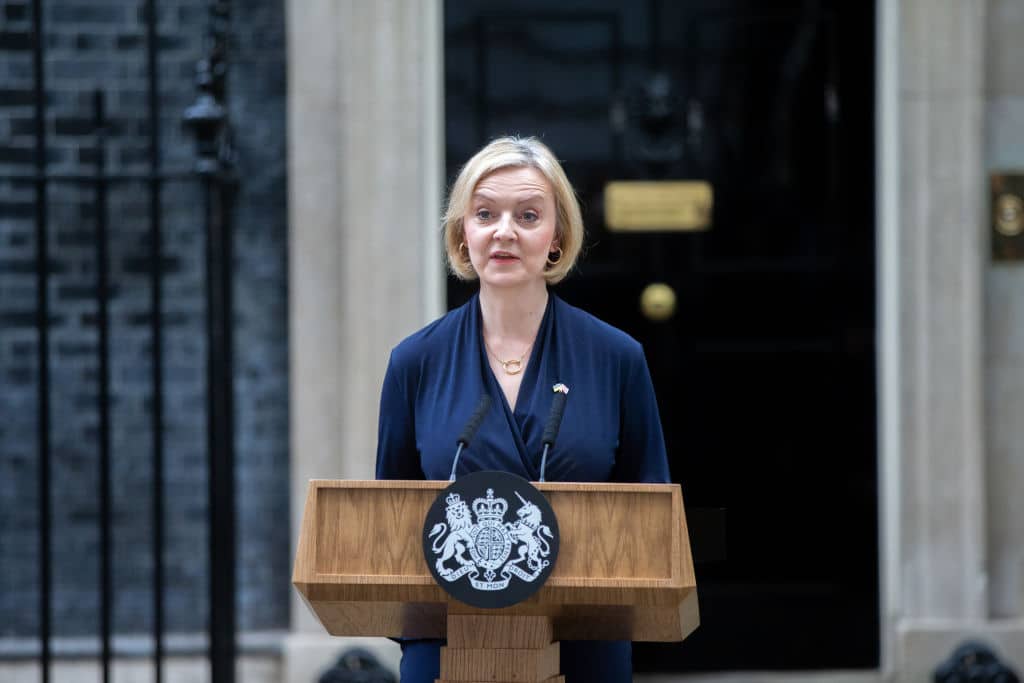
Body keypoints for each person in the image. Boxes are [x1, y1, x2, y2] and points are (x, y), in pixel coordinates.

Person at [375, 136, 670, 683]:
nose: (504, 231)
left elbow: (647, 517)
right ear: (463, 232)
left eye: (528, 215)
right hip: (447, 643)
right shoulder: (414, 362)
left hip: (584, 640)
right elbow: (392, 522)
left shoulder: (616, 358)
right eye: (485, 213)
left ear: (557, 236)